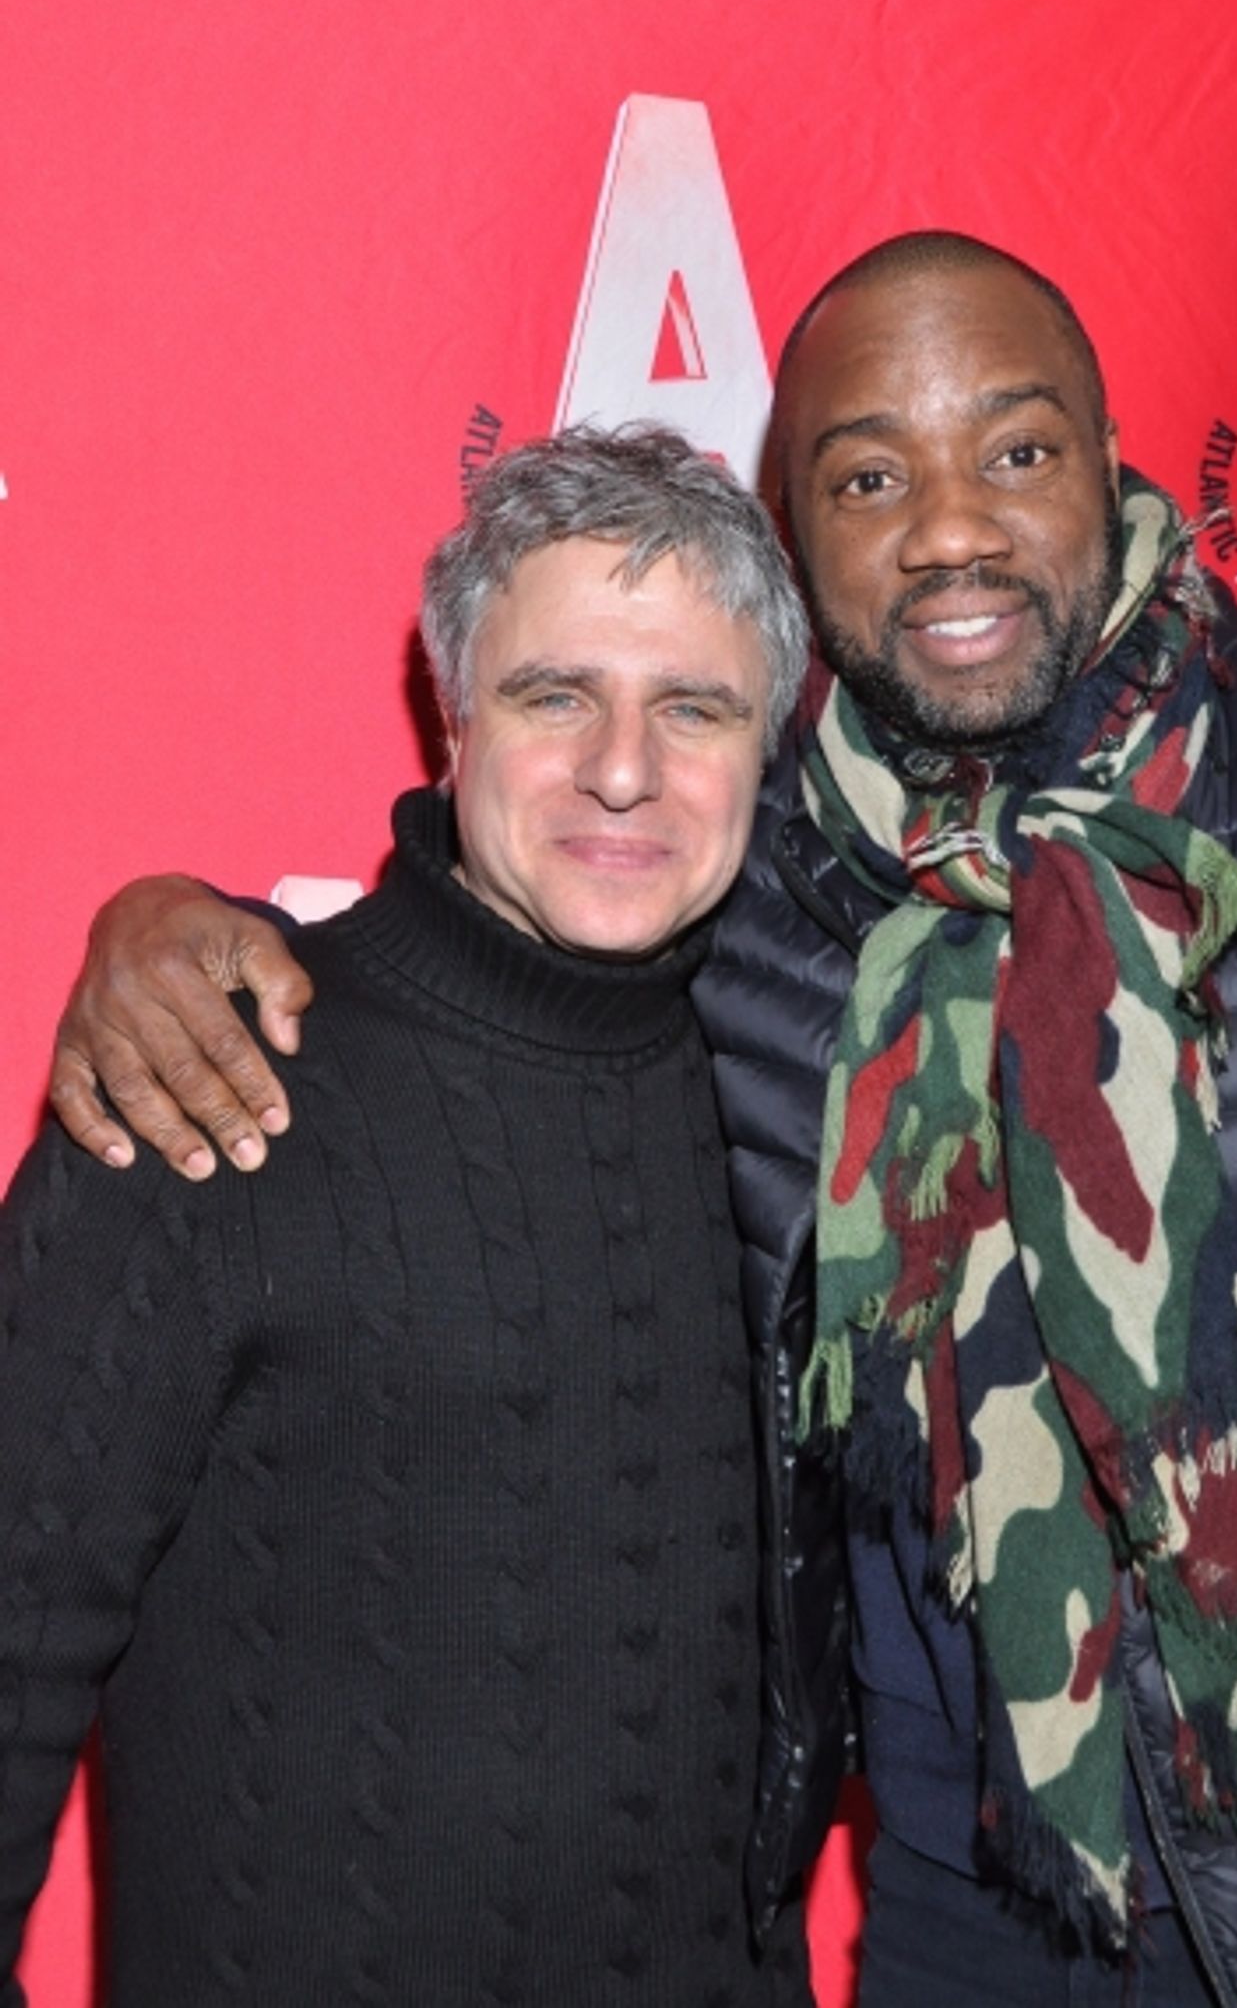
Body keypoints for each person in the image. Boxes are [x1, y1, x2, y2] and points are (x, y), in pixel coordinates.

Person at [44, 236, 1237, 2008]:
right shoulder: (760, 889)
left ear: (1110, 454)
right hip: (958, 1899)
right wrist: (168, 924)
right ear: (798, 539)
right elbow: (503, 918)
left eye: (1016, 450)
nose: (951, 530)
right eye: (867, 476)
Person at [0, 424, 825, 2006]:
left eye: (694, 708)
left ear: (770, 744)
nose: (624, 767)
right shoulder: (208, 1077)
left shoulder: (802, 1081)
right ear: (453, 716)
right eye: (555, 693)